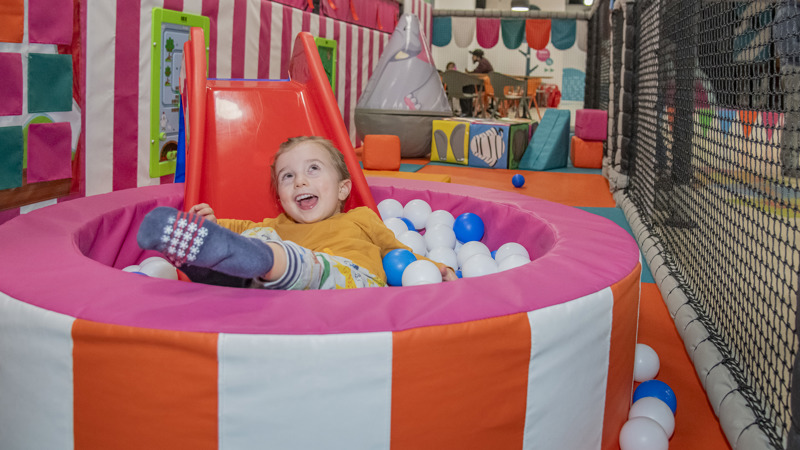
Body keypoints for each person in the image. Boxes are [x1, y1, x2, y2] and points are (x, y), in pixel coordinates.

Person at [137, 136, 457, 289]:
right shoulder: (279, 225)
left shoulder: (361, 218)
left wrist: (433, 267)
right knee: (259, 236)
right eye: (287, 177)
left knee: (291, 256)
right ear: (280, 196)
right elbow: (244, 227)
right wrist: (212, 225)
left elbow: (396, 251)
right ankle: (204, 261)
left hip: (350, 284)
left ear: (343, 188)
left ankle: (253, 263)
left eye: (313, 169)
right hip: (282, 289)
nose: (299, 180)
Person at [774, 0, 800, 177]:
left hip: (794, 68)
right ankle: (790, 165)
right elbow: (790, 48)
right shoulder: (788, 10)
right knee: (794, 117)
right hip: (794, 69)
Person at [460, 49, 494, 117]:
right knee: (467, 87)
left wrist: (469, 73)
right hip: (485, 85)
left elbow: (476, 73)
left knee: (465, 88)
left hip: (485, 86)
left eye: (473, 56)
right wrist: (470, 73)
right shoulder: (484, 62)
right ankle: (468, 111)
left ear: (477, 56)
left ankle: (467, 112)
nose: (472, 57)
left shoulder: (482, 63)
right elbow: (476, 72)